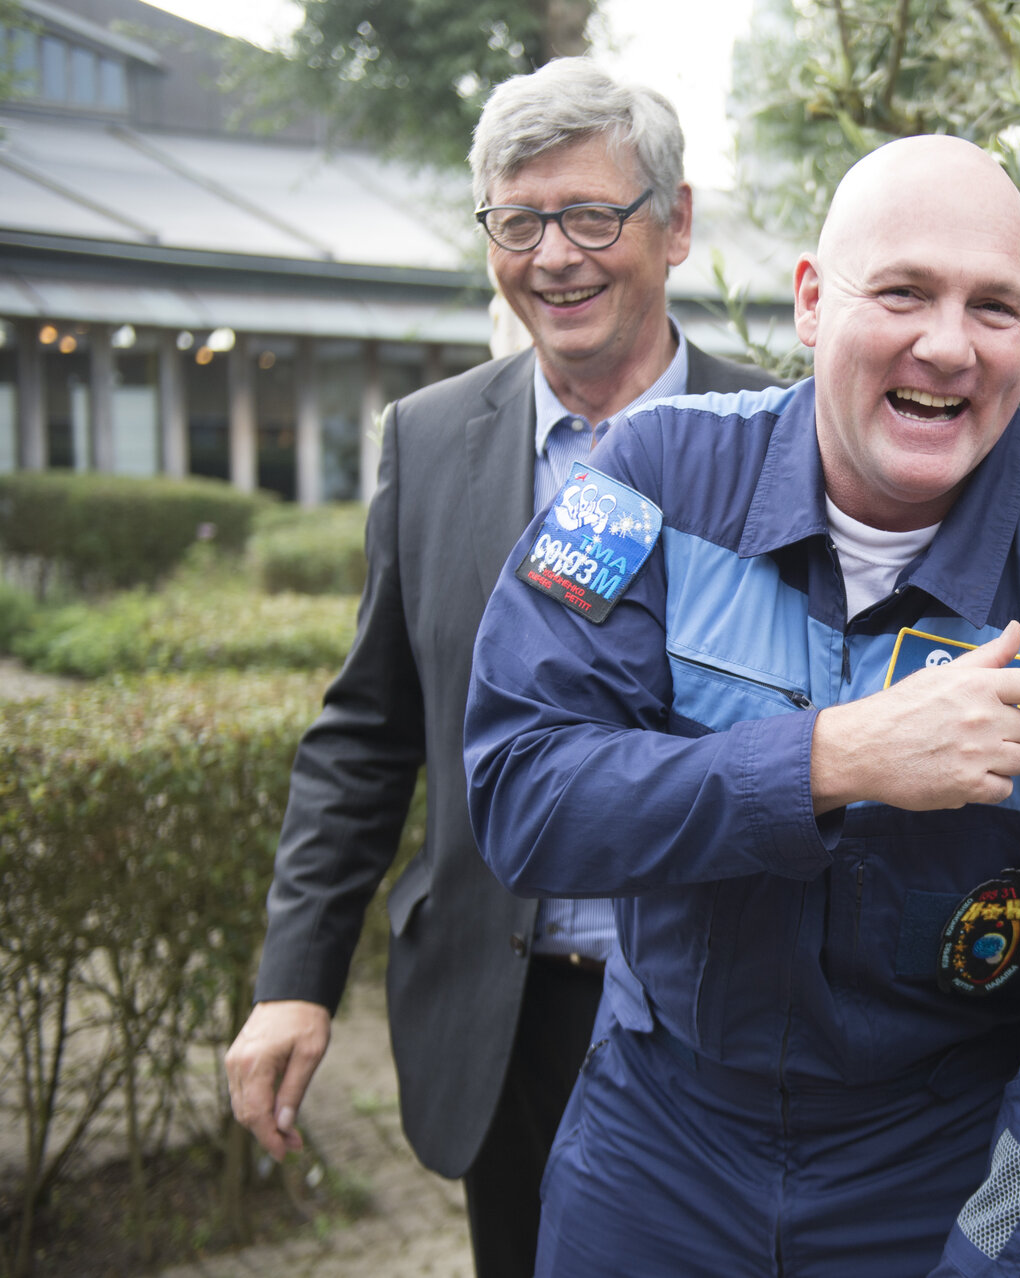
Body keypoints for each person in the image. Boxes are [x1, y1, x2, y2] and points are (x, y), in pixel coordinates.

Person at [462, 134, 1020, 1277]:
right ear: (813, 302)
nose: (949, 346)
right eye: (904, 292)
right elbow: (526, 794)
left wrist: (994, 1248)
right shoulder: (643, 484)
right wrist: (830, 760)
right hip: (654, 1145)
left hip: (934, 1170)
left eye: (996, 308)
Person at [222, 58, 779, 1277]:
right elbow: (369, 729)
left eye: (592, 215)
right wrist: (294, 980)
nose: (555, 256)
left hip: (713, 1018)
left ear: (676, 225)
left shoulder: (782, 443)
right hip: (502, 1014)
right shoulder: (428, 441)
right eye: (518, 222)